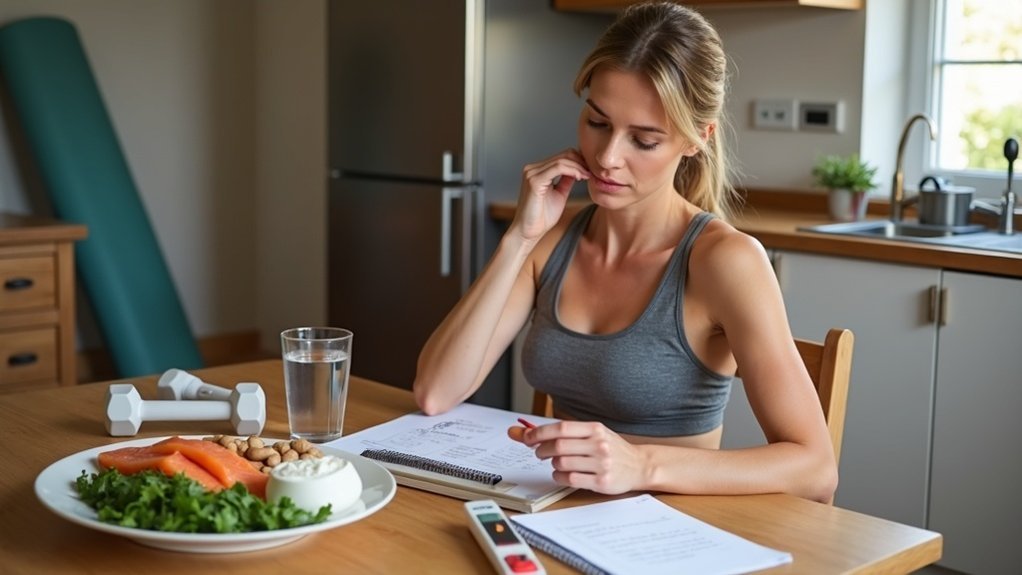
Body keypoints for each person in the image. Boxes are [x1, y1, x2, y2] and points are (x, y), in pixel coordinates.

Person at [413, 1, 838, 503]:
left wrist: (640, 464)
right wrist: (519, 240)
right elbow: (436, 392)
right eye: (597, 123)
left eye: (643, 139)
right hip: (557, 512)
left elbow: (815, 468)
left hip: (669, 529)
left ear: (696, 140)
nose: (608, 157)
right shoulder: (553, 237)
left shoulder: (725, 261)